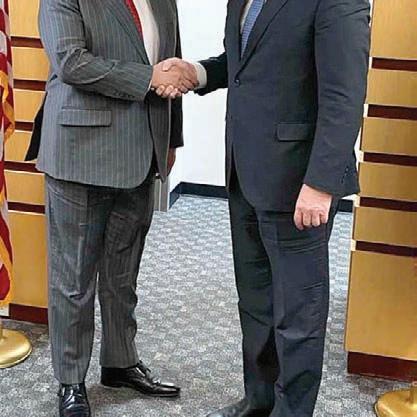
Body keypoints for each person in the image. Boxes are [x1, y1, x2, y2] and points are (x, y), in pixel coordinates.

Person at [158, 0, 370, 416]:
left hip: (299, 184)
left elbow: (344, 95)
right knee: (256, 304)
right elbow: (242, 66)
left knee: (298, 316)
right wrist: (197, 72)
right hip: (245, 173)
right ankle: (259, 401)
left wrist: (321, 184)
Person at [30, 1, 198, 416]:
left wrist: (172, 140)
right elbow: (72, 62)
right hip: (79, 151)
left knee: (123, 272)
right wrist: (148, 78)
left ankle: (120, 362)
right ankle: (71, 380)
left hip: (143, 151)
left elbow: (171, 62)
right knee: (74, 278)